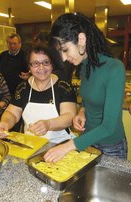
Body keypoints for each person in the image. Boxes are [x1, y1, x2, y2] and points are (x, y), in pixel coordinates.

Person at [44, 12, 127, 162]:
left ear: (81, 39)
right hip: (88, 140)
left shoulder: (115, 68)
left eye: (65, 50)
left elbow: (109, 126)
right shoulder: (84, 66)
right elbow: (89, 101)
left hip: (111, 146)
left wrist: (67, 146)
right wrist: (82, 112)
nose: (63, 58)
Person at [0, 45, 77, 143]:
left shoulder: (64, 86)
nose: (41, 67)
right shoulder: (23, 88)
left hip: (60, 144)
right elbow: (12, 113)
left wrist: (48, 124)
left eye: (46, 62)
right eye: (35, 63)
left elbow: (69, 116)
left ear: (52, 64)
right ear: (29, 67)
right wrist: (5, 123)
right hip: (31, 144)